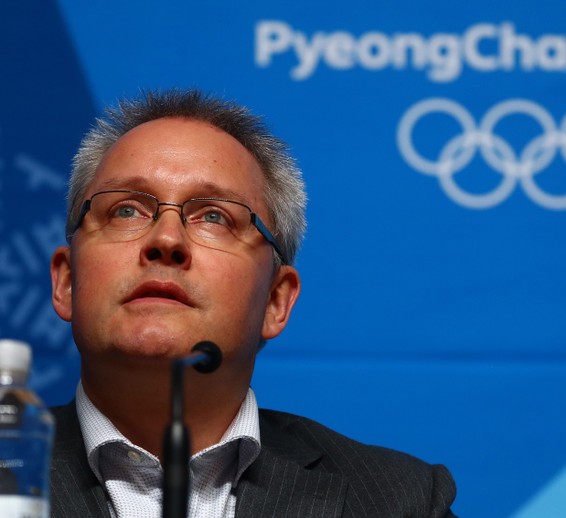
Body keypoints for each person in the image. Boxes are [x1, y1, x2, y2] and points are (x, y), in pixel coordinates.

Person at [48, 89, 457, 517]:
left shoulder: (399, 502)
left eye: (214, 216)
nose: (166, 240)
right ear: (67, 281)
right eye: (126, 210)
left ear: (275, 301)